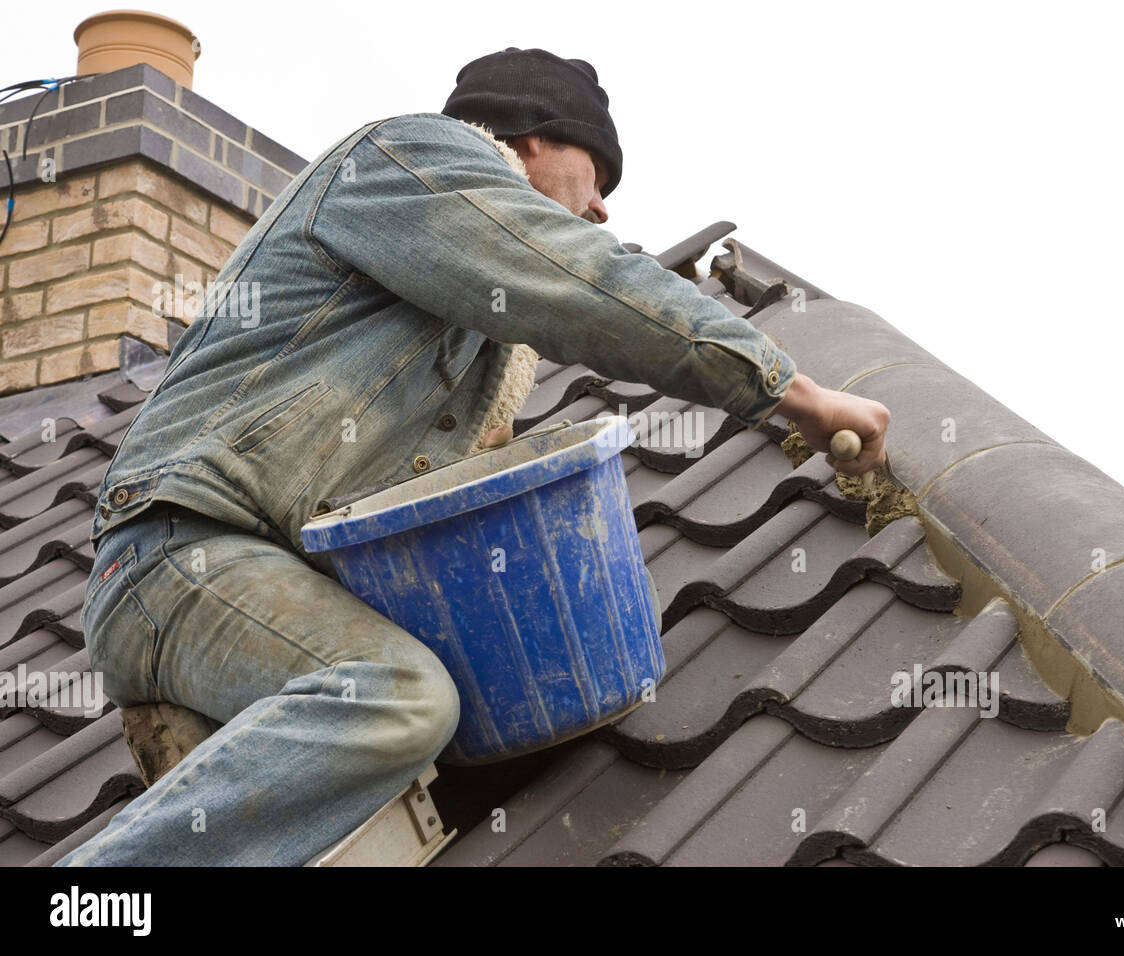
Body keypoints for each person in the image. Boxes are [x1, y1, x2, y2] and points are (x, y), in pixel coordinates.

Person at [55, 47, 890, 866]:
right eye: (597, 174)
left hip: (262, 578)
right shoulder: (404, 158)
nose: (601, 209)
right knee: (400, 698)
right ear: (531, 138)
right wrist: (793, 392)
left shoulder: (462, 326)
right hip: (175, 553)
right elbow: (577, 277)